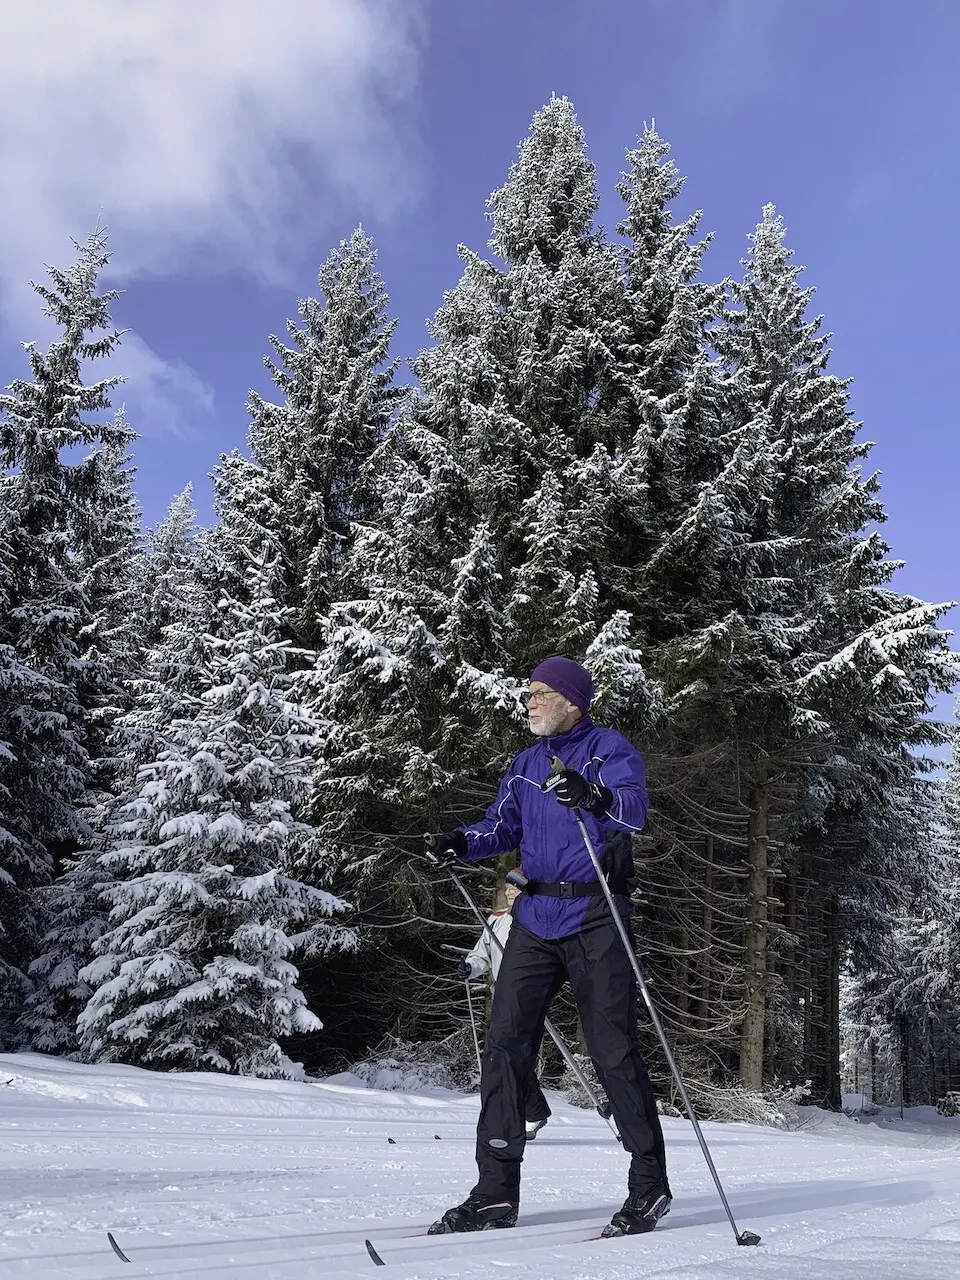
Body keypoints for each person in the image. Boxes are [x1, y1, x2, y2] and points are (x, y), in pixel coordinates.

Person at [426, 655, 670, 1238]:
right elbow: (502, 825)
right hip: (535, 916)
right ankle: (494, 1194)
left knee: (613, 1052)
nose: (529, 701)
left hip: (595, 913)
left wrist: (592, 795)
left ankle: (649, 1186)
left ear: (571, 701)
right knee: (505, 1045)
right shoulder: (527, 762)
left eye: (539, 693)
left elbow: (633, 810)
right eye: (528, 693)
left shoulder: (609, 749)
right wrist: (460, 841)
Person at [457, 879, 551, 1140]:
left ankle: (527, 1114)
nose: (509, 892)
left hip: (529, 994)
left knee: (510, 1054)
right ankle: (529, 1112)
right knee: (504, 1055)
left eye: (516, 888)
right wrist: (470, 966)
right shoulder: (496, 919)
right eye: (507, 888)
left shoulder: (539, 917)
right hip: (503, 994)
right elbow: (482, 953)